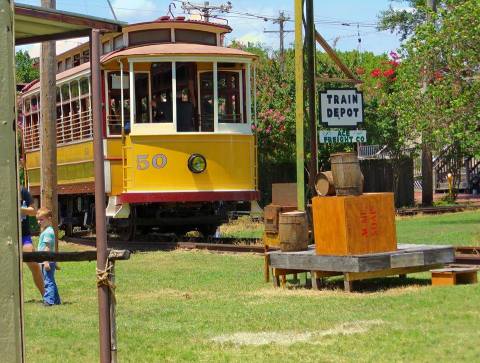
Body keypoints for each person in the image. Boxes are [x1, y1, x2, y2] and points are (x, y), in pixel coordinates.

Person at [20, 187, 44, 297]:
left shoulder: (23, 191)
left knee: (34, 265)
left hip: (24, 236)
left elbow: (34, 211)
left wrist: (19, 209)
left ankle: (45, 295)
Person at [36, 207, 61, 306]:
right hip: (49, 260)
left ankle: (49, 301)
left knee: (48, 281)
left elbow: (47, 248)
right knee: (51, 280)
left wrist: (46, 261)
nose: (39, 222)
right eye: (38, 219)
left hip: (47, 261)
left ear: (49, 219)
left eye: (41, 219)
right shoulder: (47, 230)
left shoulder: (48, 232)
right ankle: (57, 301)